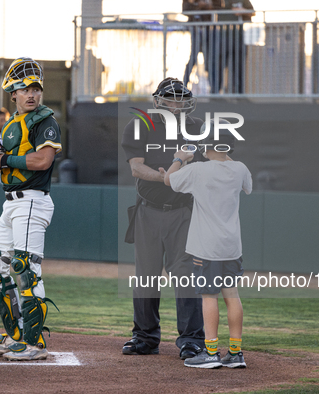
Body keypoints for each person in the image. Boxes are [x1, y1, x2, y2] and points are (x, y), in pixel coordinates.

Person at [0, 57, 62, 361]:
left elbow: (43, 161)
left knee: (25, 268)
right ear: (13, 93)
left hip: (33, 201)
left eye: (36, 88)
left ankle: (34, 342)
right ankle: (16, 333)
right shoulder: (13, 123)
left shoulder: (45, 121)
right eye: (24, 88)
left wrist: (3, 161)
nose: (31, 94)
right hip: (12, 203)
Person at [120, 77, 206, 359]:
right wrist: (166, 178)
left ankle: (192, 340)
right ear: (158, 101)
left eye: (181, 99)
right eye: (170, 99)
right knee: (145, 277)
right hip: (148, 209)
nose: (176, 105)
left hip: (183, 211)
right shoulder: (141, 125)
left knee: (187, 277)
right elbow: (136, 168)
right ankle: (145, 337)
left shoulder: (197, 128)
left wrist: (179, 179)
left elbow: (208, 168)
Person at [162, 124, 252, 369]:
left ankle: (211, 352)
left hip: (207, 248)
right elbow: (247, 186)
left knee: (208, 296)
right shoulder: (240, 168)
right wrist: (224, 155)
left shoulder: (199, 170)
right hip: (232, 247)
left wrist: (178, 158)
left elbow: (168, 179)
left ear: (206, 146)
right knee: (231, 295)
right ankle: (235, 353)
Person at [183, 0, 225, 93]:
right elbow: (185, 10)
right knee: (193, 58)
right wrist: (196, 4)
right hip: (195, 28)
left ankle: (215, 90)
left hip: (210, 29)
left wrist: (210, 5)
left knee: (210, 59)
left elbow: (220, 7)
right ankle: (183, 87)